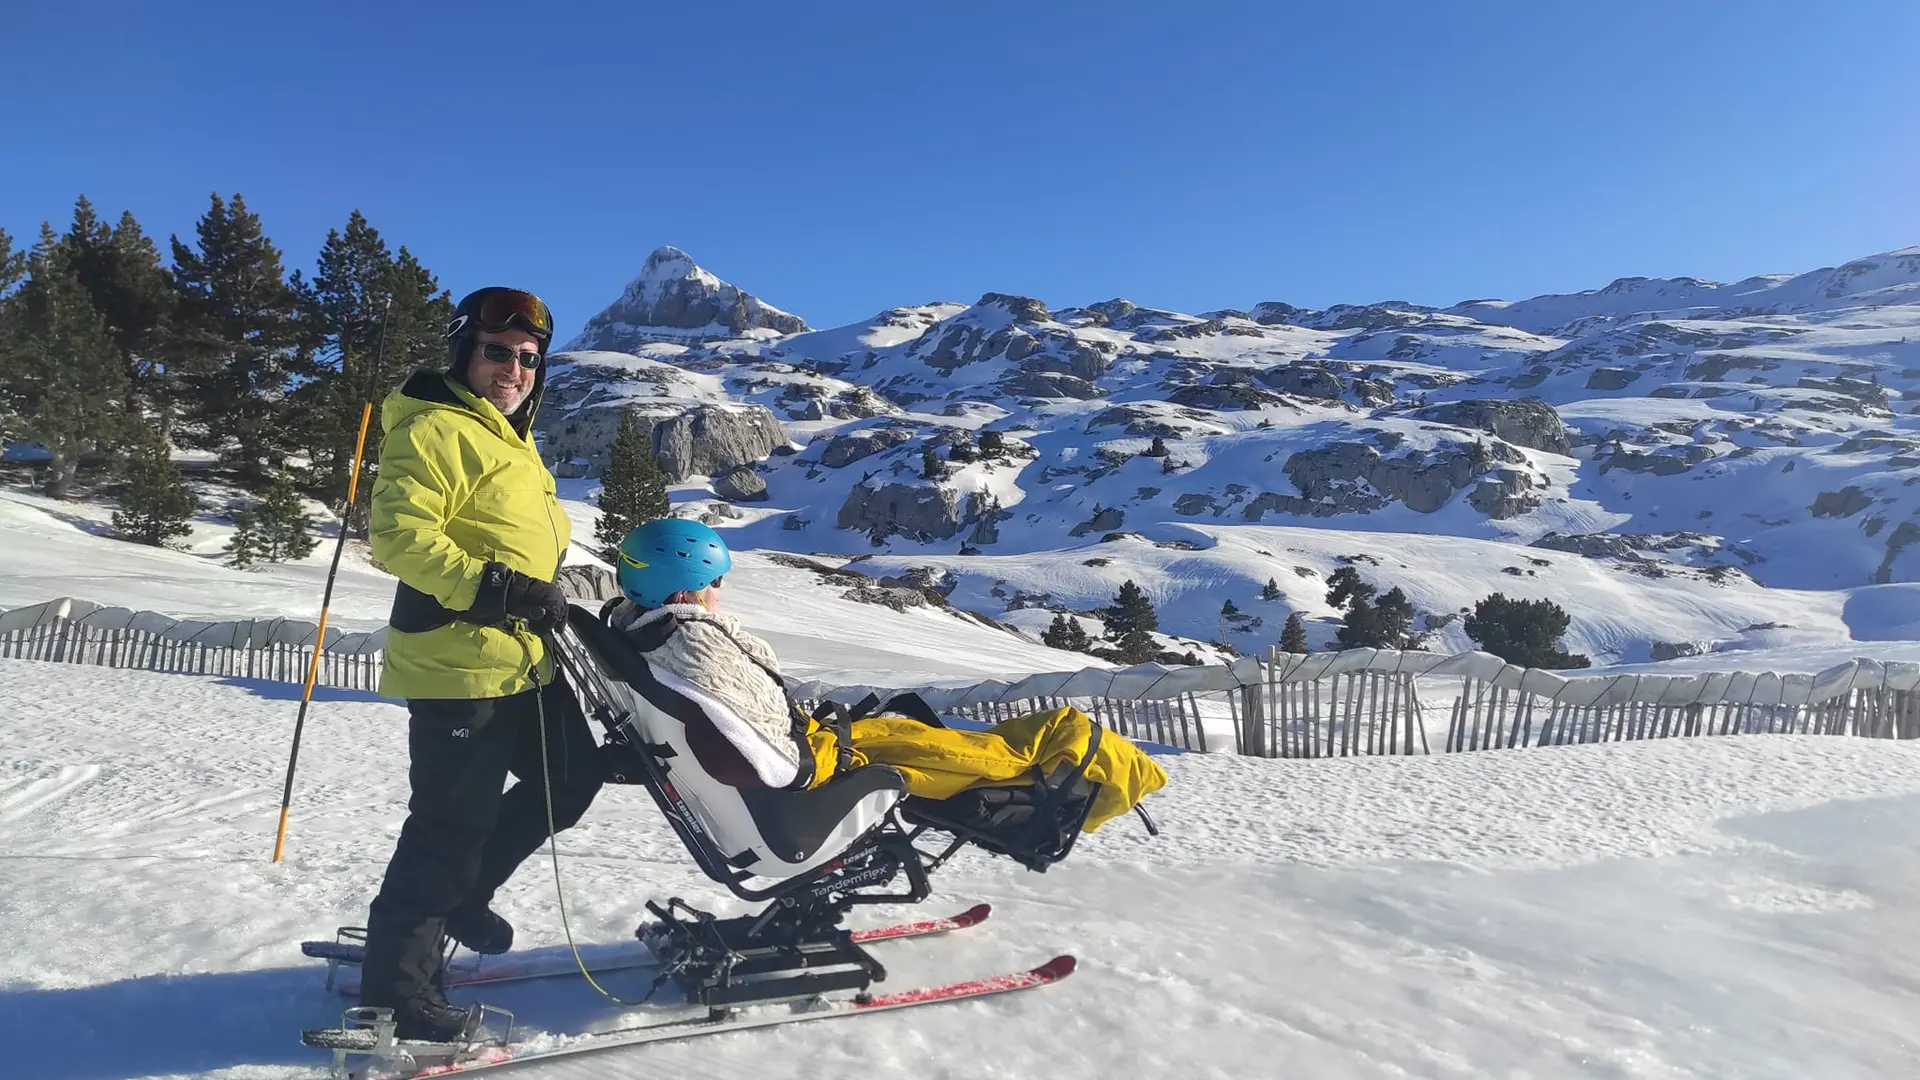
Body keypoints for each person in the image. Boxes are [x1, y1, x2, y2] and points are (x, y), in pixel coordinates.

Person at [358, 286, 604, 1042]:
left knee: (571, 774)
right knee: (448, 827)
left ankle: (465, 897)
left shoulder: (508, 437)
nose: (515, 367)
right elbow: (398, 537)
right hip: (456, 665)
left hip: (520, 663)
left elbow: (522, 541)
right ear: (465, 351)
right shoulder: (436, 426)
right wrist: (495, 587)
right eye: (499, 352)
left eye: (529, 358)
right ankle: (398, 995)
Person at [606, 518, 1166, 828]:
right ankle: (1101, 777)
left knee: (965, 736)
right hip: (826, 759)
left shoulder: (646, 634)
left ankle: (1084, 754)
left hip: (817, 744)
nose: (720, 592)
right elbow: (771, 756)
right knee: (991, 758)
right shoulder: (697, 647)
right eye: (714, 580)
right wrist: (817, 740)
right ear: (684, 586)